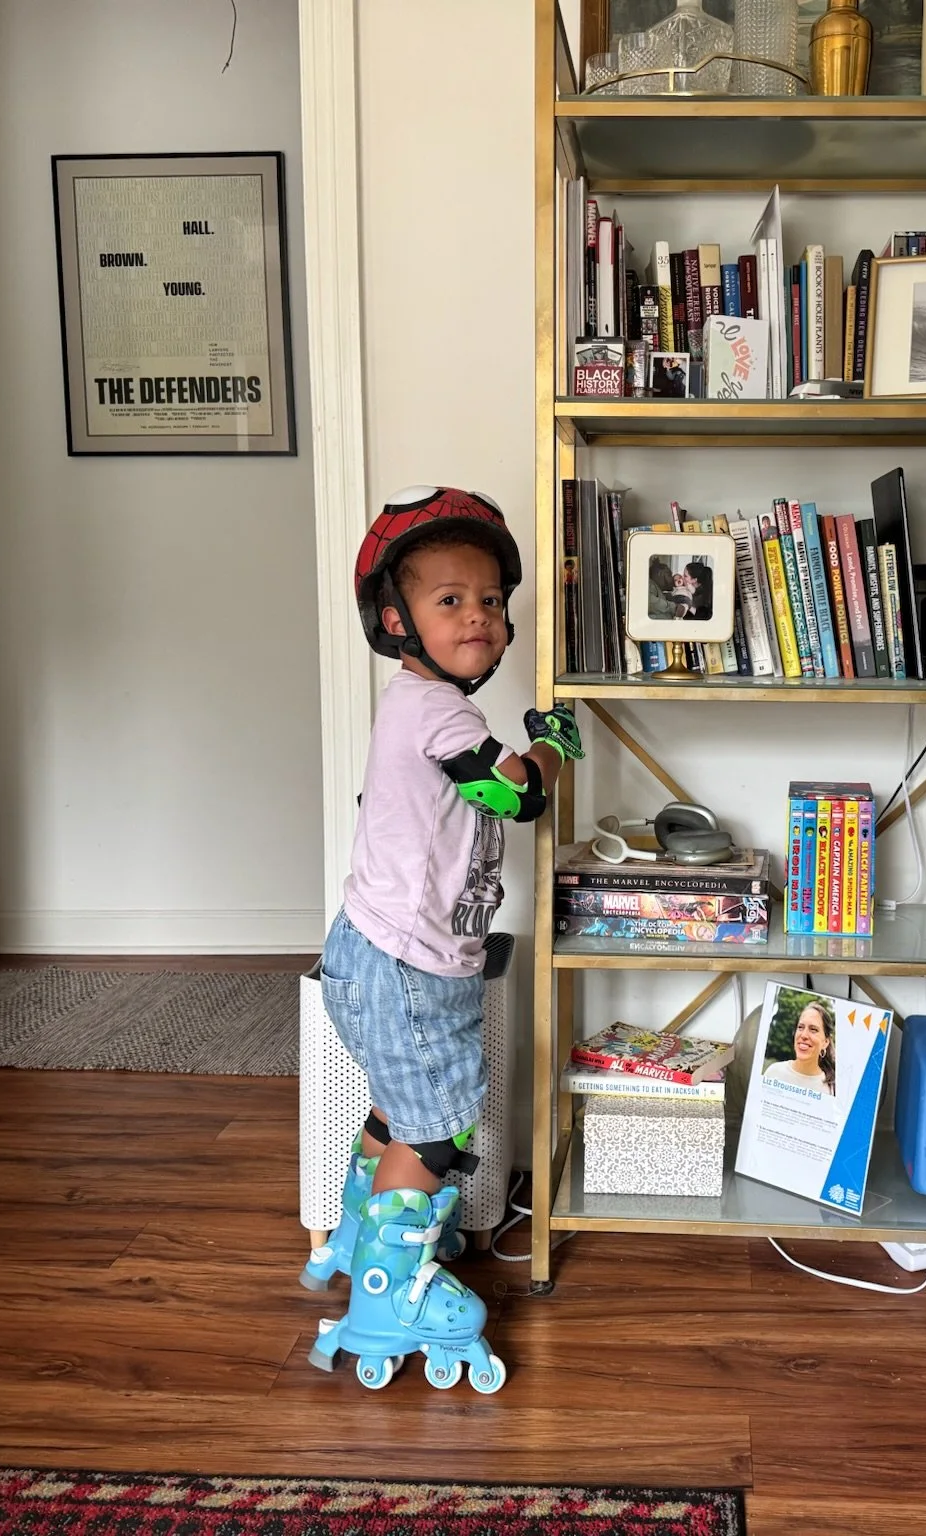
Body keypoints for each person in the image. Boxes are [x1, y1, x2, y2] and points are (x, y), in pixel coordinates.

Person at [302, 486, 584, 1394]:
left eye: (491, 600)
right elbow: (514, 794)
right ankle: (387, 1299)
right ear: (397, 620)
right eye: (450, 599)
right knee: (438, 1130)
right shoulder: (436, 710)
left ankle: (360, 1235)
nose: (478, 616)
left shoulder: (420, 705)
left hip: (377, 955)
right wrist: (554, 745)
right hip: (406, 969)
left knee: (399, 1110)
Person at [762, 999, 837, 1096]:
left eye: (813, 1029)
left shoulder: (832, 1090)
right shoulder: (773, 1073)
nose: (804, 1035)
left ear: (825, 1042)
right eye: (800, 1027)